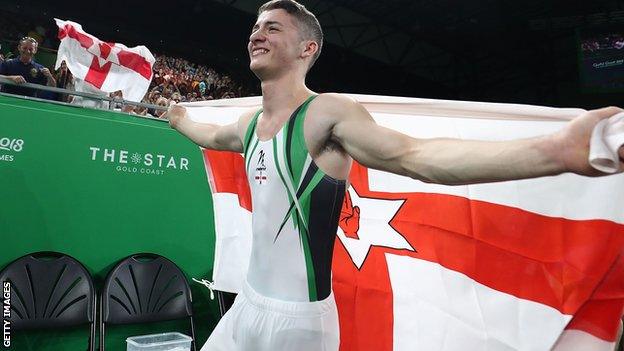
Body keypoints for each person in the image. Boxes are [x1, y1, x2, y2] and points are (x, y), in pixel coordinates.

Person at [165, 1, 624, 350]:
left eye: (272, 27)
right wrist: (176, 115)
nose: (256, 34)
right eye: (254, 27)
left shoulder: (326, 113)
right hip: (247, 303)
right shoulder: (249, 126)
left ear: (308, 48)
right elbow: (208, 133)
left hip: (297, 321)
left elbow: (414, 156)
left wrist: (558, 151)